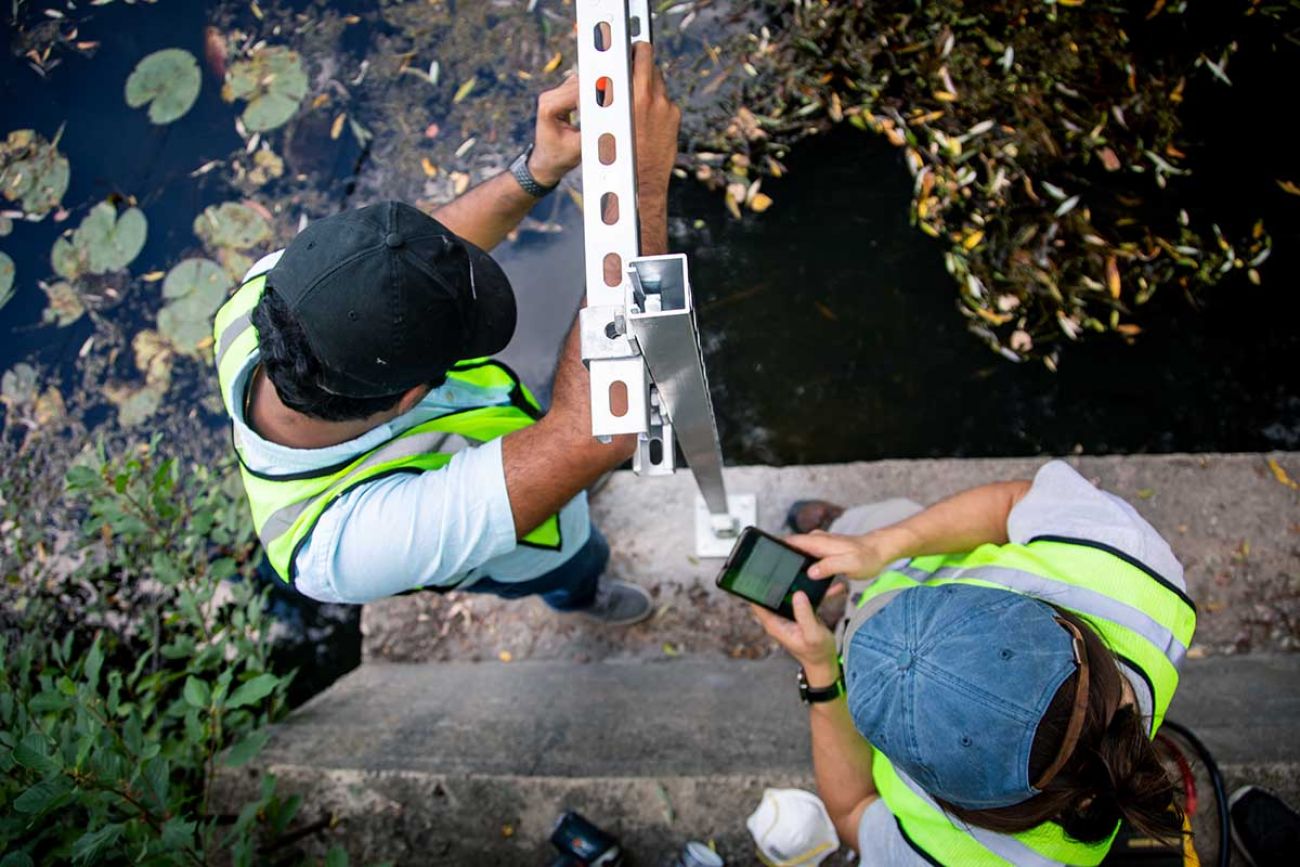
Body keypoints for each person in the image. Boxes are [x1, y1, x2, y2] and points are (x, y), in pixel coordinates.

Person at [210, 45, 681, 623]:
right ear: (410, 397)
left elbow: (410, 256)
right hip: (532, 547)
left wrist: (536, 171)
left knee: (566, 470)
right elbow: (599, 435)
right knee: (574, 559)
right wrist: (643, 191)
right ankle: (582, 596)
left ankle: (564, 492)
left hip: (512, 425)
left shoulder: (265, 296)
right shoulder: (347, 543)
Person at [753, 461, 1198, 865]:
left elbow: (853, 811)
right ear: (1056, 620)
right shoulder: (1127, 570)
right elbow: (1012, 504)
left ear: (960, 806)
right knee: (886, 521)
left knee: (884, 516)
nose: (867, 604)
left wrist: (821, 669)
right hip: (889, 549)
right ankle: (859, 527)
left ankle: (849, 523)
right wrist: (880, 545)